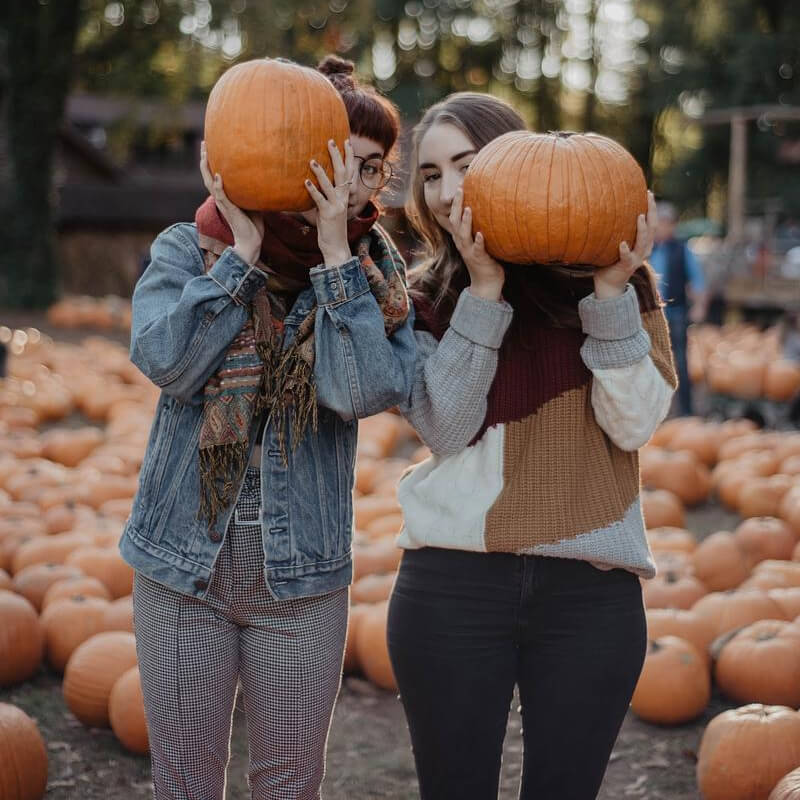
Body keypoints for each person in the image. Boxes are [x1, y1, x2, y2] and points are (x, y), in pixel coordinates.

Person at [120, 56, 415, 800]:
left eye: (370, 171)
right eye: (338, 165)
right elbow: (169, 363)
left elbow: (359, 389)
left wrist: (335, 259)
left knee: (289, 783)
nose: (350, 187)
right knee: (184, 783)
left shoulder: (374, 276)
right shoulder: (190, 251)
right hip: (183, 565)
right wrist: (244, 258)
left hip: (302, 580)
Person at [386, 92, 677, 800]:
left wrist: (608, 297)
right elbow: (446, 426)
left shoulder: (616, 288)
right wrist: (483, 293)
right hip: (454, 584)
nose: (449, 190)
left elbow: (634, 424)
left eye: (466, 164)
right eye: (430, 174)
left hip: (589, 590)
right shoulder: (423, 298)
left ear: (521, 164)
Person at [650, 200, 707, 416]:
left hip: (676, 314)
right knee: (652, 364)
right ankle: (656, 413)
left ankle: (685, 412)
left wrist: (700, 305)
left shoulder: (682, 250)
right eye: (660, 223)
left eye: (667, 223)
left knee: (681, 362)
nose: (663, 228)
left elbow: (698, 280)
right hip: (651, 316)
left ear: (673, 226)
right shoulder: (647, 250)